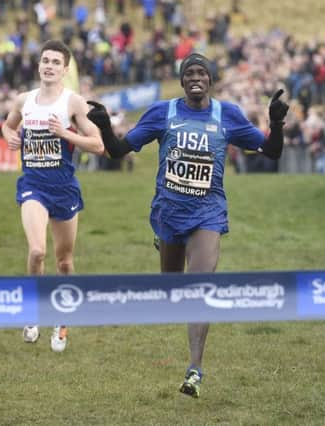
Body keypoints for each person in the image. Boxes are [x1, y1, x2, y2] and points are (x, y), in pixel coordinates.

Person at [86, 52, 289, 398]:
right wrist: (104, 125)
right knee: (172, 291)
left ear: (210, 80)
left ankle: (194, 369)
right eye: (189, 73)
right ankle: (164, 245)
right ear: (182, 82)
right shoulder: (162, 113)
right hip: (169, 212)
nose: (196, 78)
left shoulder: (227, 115)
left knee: (200, 287)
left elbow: (271, 152)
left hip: (208, 213)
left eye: (202, 73)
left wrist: (276, 123)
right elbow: (119, 151)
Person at [1, 40, 104, 352]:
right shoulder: (24, 100)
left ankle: (62, 320)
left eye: (55, 62)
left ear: (64, 69)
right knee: (37, 252)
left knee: (64, 261)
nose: (48, 66)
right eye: (44, 60)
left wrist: (65, 134)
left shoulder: (73, 103)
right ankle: (32, 312)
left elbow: (98, 144)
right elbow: (7, 127)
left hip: (64, 188)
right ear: (38, 65)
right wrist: (11, 137)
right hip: (33, 185)